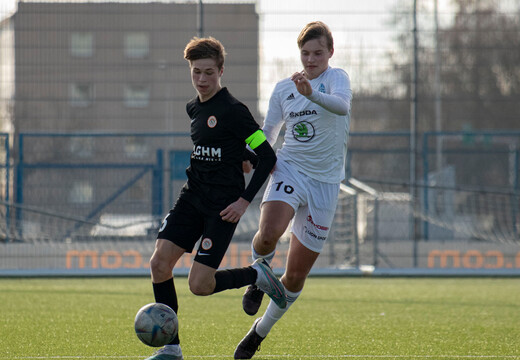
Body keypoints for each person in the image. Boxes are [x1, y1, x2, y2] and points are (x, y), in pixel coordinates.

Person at [145, 36, 286, 360]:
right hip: (191, 197)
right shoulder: (193, 107)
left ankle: (257, 275)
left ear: (221, 71)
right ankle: (172, 348)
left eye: (209, 72)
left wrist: (243, 201)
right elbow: (227, 147)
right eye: (196, 72)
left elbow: (266, 156)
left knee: (200, 285)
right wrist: (239, 155)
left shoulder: (235, 111)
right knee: (159, 264)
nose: (202, 79)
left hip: (222, 208)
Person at [234, 21, 353, 359]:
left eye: (318, 53)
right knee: (269, 233)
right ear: (299, 54)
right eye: (305, 53)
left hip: (325, 185)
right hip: (290, 169)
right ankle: (259, 270)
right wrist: (252, 154)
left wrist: (312, 94)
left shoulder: (337, 79)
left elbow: (341, 106)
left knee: (296, 276)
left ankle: (259, 332)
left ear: (330, 52)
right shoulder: (283, 88)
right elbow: (268, 131)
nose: (311, 59)